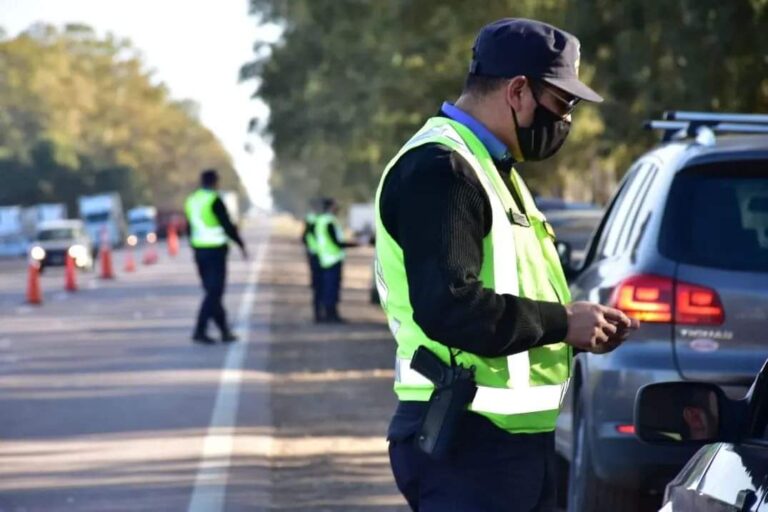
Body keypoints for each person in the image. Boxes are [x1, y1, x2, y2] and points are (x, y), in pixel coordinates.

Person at [374, 18, 640, 511]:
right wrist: (563, 323)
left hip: (510, 448)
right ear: (518, 90)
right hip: (470, 446)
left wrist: (581, 328)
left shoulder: (492, 167)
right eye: (562, 103)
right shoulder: (443, 170)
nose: (565, 120)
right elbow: (450, 306)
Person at [185, 169, 248, 344]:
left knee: (212, 293)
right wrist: (240, 244)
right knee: (214, 293)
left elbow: (189, 227)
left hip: (199, 252)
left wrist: (193, 246)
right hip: (215, 251)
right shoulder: (214, 199)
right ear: (214, 182)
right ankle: (200, 329)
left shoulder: (192, 200)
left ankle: (224, 331)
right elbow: (227, 225)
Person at [314, 198, 356, 323]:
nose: (337, 208)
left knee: (327, 288)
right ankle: (331, 315)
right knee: (331, 289)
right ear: (330, 207)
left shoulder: (321, 220)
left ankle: (328, 314)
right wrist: (356, 244)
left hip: (324, 259)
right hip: (332, 260)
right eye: (335, 206)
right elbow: (337, 243)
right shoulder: (329, 222)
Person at [302, 208, 323, 322]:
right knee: (319, 288)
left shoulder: (310, 227)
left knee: (318, 288)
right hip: (318, 257)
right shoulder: (316, 224)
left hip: (315, 256)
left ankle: (319, 314)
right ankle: (319, 315)